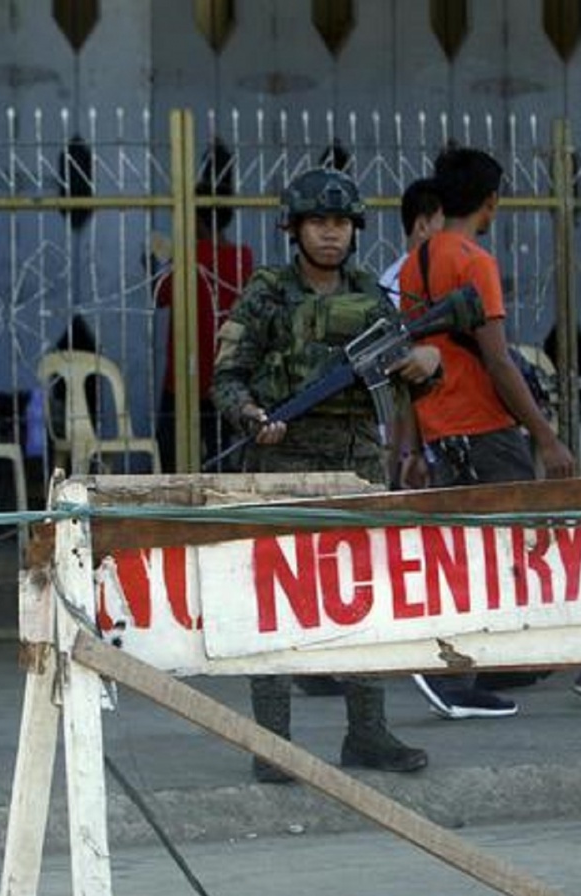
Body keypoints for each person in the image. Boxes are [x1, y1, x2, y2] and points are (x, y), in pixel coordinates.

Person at [210, 166, 440, 782]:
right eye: (319, 222)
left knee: (366, 596)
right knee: (276, 599)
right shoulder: (267, 293)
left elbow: (410, 372)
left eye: (340, 223)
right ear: (295, 228)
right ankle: (274, 743)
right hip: (282, 458)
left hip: (358, 459)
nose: (331, 234)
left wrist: (424, 363)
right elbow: (227, 376)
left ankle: (366, 732)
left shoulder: (370, 290)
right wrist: (252, 415)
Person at [397, 145, 576, 721]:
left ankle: (468, 665)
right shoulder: (475, 262)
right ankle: (458, 674)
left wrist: (410, 445)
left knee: (461, 553)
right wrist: (546, 436)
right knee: (502, 552)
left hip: (439, 431)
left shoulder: (413, 264)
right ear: (490, 202)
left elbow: (407, 364)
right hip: (487, 430)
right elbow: (498, 361)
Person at [153, 158, 255, 471]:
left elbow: (159, 296)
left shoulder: (188, 257)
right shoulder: (243, 257)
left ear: (196, 219)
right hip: (227, 368)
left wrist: (159, 263)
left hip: (185, 373)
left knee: (172, 452)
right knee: (222, 454)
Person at [380, 177, 444, 308]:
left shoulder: (452, 270)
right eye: (447, 223)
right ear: (422, 227)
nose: (454, 232)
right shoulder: (392, 287)